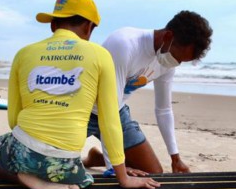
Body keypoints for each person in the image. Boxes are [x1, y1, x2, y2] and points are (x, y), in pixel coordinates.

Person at [0, 0, 160, 189]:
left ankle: (24, 177)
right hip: (66, 166)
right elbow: (109, 120)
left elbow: (14, 118)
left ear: (53, 25)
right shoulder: (100, 55)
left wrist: (28, 151)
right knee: (79, 174)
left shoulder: (24, 54)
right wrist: (123, 177)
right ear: (88, 27)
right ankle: (45, 174)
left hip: (24, 148)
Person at [84, 11, 212, 175]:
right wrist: (114, 170)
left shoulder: (167, 62)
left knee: (153, 171)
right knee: (53, 165)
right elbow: (107, 109)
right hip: (84, 111)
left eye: (181, 62)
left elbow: (164, 110)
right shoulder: (125, 44)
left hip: (117, 113)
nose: (176, 63)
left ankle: (97, 158)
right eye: (177, 57)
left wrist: (175, 158)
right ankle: (111, 160)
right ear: (167, 36)